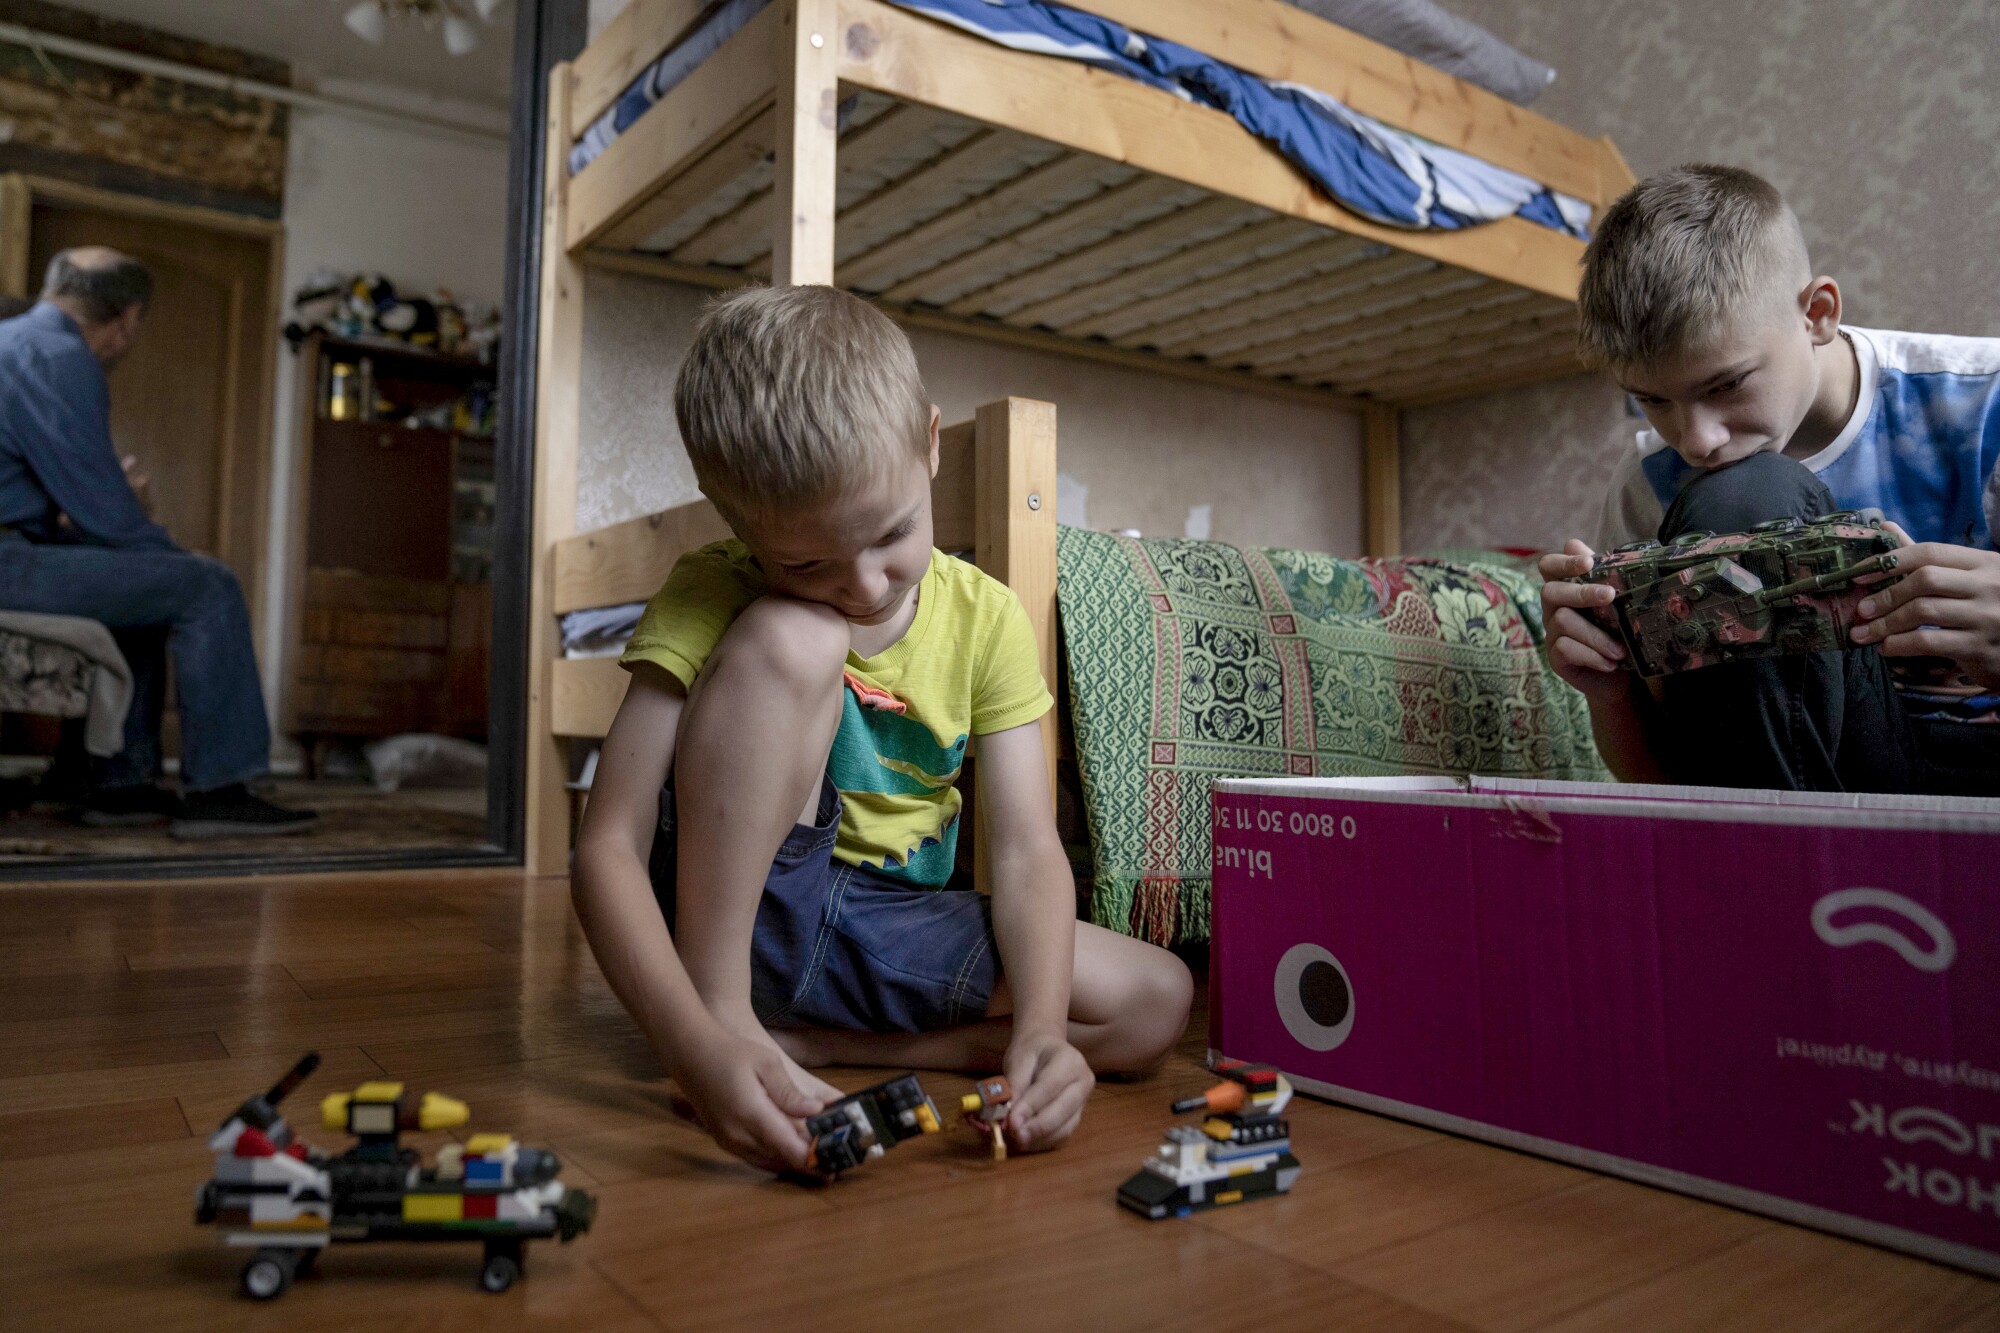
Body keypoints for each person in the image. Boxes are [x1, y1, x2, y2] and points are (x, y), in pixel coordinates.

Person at [571, 286, 1192, 1173]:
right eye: (805, 561)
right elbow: (608, 845)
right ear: (733, 515)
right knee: (799, 634)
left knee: (1155, 1000)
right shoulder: (714, 591)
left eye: (892, 534)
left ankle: (808, 1042)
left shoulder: (987, 617)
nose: (864, 586)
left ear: (930, 445)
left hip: (885, 924)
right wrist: (694, 1046)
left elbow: (1023, 849)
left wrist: (1045, 1033)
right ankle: (728, 1018)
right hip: (742, 910)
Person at [1539, 165, 2000, 795]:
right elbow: (1672, 779)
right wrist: (1609, 688)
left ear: (1817, 314)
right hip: (1828, 794)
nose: (1696, 439)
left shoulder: (1982, 407)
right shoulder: (1652, 483)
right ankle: (1783, 876)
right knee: (1743, 499)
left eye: (1726, 384)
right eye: (1653, 400)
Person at [0, 247, 317, 837]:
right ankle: (221, 789)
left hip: (15, 552)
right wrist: (161, 542)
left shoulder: (12, 340)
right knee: (205, 585)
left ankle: (119, 785)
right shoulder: (57, 356)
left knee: (143, 588)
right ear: (126, 320)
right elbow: (107, 517)